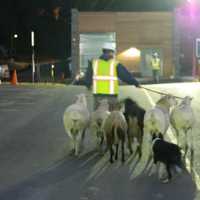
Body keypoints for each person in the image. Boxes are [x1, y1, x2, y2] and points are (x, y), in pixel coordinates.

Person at [81, 43, 141, 111]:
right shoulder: (115, 64)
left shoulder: (94, 63)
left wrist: (88, 85)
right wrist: (136, 83)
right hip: (111, 96)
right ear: (111, 52)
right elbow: (126, 76)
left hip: (98, 96)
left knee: (98, 116)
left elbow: (87, 76)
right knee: (112, 117)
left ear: (103, 51)